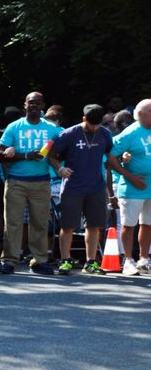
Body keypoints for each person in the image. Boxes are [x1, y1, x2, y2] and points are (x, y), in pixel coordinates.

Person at [0, 91, 62, 274]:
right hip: (16, 181)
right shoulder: (14, 127)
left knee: (40, 222)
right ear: (24, 105)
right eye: (30, 102)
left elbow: (63, 149)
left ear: (43, 106)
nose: (33, 105)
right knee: (13, 223)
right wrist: (26, 155)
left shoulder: (53, 129)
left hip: (41, 182)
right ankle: (9, 261)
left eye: (37, 103)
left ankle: (39, 260)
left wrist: (57, 156)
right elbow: (1, 152)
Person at [49, 104, 112, 275]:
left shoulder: (105, 134)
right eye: (92, 124)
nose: (95, 128)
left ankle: (90, 262)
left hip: (96, 187)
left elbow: (112, 155)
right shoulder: (69, 133)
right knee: (68, 225)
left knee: (94, 226)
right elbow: (49, 153)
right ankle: (65, 260)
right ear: (84, 119)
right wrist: (59, 169)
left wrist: (124, 158)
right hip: (73, 187)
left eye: (98, 124)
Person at [108, 98, 151, 276]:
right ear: (142, 114)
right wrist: (130, 176)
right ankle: (128, 260)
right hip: (133, 187)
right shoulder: (129, 134)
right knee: (128, 224)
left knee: (148, 224)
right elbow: (111, 158)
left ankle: (144, 259)